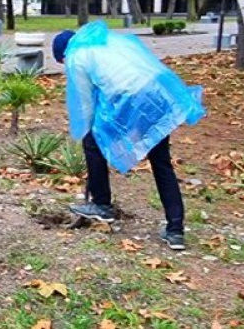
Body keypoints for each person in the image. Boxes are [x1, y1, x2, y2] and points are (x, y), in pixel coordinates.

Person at [52, 20, 206, 250]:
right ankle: (176, 230)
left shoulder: (76, 56)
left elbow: (85, 105)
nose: (65, 66)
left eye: (61, 63)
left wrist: (87, 130)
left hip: (133, 98)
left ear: (63, 54)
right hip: (159, 93)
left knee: (92, 142)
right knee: (161, 161)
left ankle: (102, 204)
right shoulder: (106, 40)